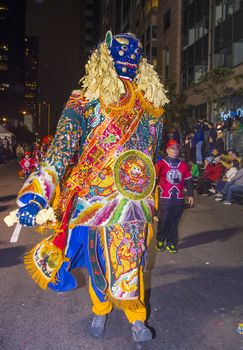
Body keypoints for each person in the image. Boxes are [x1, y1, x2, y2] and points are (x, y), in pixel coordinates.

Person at [14, 32, 169, 342]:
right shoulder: (84, 101)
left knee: (131, 260)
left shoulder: (151, 108)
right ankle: (100, 310)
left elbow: (149, 157)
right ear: (105, 59)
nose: (128, 60)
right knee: (99, 260)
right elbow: (61, 149)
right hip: (94, 199)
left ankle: (136, 317)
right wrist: (36, 194)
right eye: (120, 54)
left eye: (133, 55)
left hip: (133, 201)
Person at [155, 140, 194, 253]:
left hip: (178, 199)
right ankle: (160, 240)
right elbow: (155, 180)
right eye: (172, 149)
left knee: (175, 222)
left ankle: (171, 242)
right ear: (167, 150)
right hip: (165, 199)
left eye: (176, 149)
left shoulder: (183, 165)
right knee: (163, 221)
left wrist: (190, 195)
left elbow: (187, 180)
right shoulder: (161, 164)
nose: (174, 151)